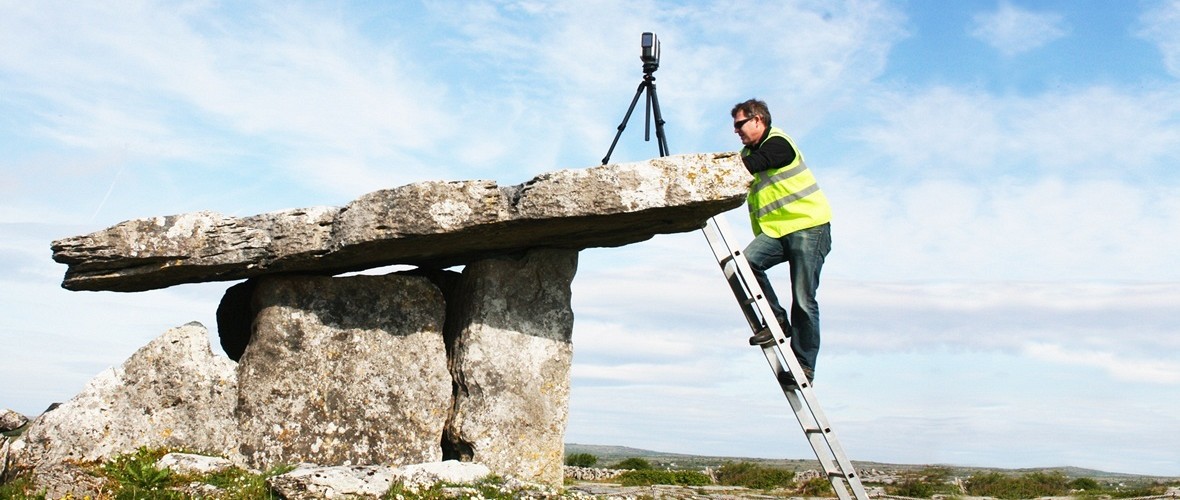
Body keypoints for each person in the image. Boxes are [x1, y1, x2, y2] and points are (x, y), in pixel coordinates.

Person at [731, 98, 832, 386]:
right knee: (746, 262)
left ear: (758, 120)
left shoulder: (779, 143)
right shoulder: (745, 152)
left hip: (808, 226)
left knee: (803, 299)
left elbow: (759, 163)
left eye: (740, 124)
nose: (736, 131)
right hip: (777, 231)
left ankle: (804, 366)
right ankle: (777, 321)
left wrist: (726, 169)